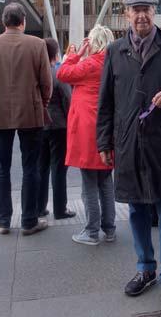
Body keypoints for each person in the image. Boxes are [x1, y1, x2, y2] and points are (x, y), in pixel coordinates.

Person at [97, 0, 161, 314]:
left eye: (147, 10)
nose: (142, 16)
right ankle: (146, 268)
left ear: (155, 13)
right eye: (135, 10)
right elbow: (105, 103)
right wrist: (103, 143)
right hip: (128, 144)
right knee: (137, 211)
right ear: (126, 15)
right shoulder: (115, 51)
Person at [0, 2, 52, 236]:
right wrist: (42, 103)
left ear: (3, 22)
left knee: (2, 169)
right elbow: (46, 83)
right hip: (31, 113)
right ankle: (29, 221)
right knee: (31, 168)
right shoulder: (37, 44)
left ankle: (3, 221)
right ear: (24, 22)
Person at [58, 25, 116, 246]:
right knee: (105, 182)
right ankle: (109, 229)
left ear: (93, 42)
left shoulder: (91, 64)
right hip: (106, 129)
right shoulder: (112, 64)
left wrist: (75, 55)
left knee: (89, 183)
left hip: (87, 130)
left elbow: (62, 74)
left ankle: (91, 231)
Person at [37, 38, 75, 220]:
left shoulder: (36, 72)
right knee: (59, 169)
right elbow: (68, 100)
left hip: (40, 125)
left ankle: (39, 207)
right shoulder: (59, 73)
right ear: (56, 53)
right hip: (59, 126)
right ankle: (60, 209)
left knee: (41, 167)